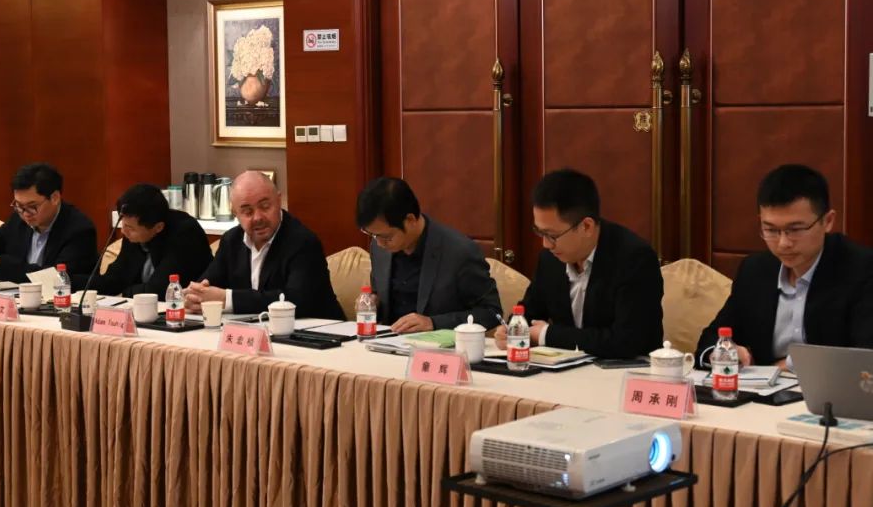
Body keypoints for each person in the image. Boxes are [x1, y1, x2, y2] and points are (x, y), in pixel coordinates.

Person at [697, 164, 873, 367]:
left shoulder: (861, 269)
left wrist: (789, 366)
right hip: (762, 387)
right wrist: (721, 353)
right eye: (771, 230)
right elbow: (712, 339)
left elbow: (864, 357)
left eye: (795, 229)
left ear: (828, 221)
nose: (783, 243)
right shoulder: (755, 270)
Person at [495, 169, 663, 358]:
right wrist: (513, 328)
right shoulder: (550, 258)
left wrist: (547, 335)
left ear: (586, 226)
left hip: (625, 371)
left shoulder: (635, 259)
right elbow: (530, 312)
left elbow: (626, 341)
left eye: (552, 235)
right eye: (540, 232)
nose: (545, 244)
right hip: (565, 370)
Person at [183, 170, 343, 319]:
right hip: (256, 332)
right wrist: (195, 297)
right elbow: (206, 285)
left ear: (279, 201)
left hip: (319, 332)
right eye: (247, 211)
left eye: (265, 206)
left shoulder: (303, 242)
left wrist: (228, 299)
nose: (258, 217)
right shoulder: (231, 241)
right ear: (235, 213)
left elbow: (296, 300)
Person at [356, 177, 501, 333]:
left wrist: (433, 323)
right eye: (372, 235)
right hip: (386, 341)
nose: (379, 244)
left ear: (410, 219)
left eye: (386, 237)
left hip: (438, 345)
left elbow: (492, 313)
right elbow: (380, 297)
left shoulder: (459, 252)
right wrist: (372, 303)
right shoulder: (379, 248)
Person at [0, 163, 97, 283]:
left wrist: (3, 266)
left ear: (55, 198)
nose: (25, 213)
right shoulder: (20, 218)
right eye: (18, 205)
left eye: (32, 206)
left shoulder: (79, 230)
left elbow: (58, 278)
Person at [86, 183, 212, 297]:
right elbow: (115, 279)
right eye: (123, 224)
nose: (123, 231)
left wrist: (124, 293)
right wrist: (77, 284)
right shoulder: (133, 232)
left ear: (158, 227)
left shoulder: (185, 233)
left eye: (130, 228)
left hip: (188, 308)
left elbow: (160, 289)